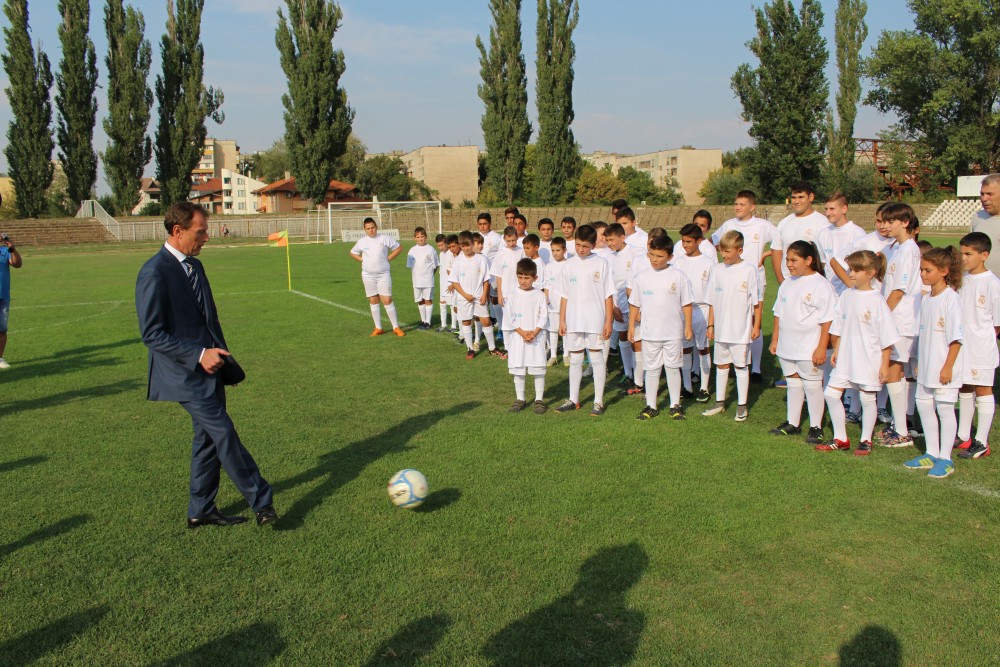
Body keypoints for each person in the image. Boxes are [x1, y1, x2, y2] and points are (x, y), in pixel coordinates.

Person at [135, 202, 277, 528]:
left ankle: (200, 509)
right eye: (200, 232)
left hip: (211, 370)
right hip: (183, 374)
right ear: (178, 231)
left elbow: (209, 322)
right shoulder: (154, 271)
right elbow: (152, 334)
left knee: (208, 440)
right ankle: (262, 502)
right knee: (223, 432)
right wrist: (199, 355)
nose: (207, 238)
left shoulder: (195, 267)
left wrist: (225, 364)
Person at [819, 250, 899, 455]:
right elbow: (839, 326)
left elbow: (887, 337)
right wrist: (837, 349)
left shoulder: (877, 300)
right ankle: (840, 438)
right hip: (846, 356)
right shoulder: (847, 295)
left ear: (871, 273)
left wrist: (884, 364)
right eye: (850, 269)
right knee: (830, 394)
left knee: (867, 398)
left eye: (856, 270)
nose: (851, 274)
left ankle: (865, 440)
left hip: (868, 358)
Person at [904, 247, 965, 478]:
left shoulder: (951, 299)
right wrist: (919, 361)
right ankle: (931, 452)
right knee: (924, 405)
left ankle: (945, 458)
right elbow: (924, 333)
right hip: (927, 367)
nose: (922, 274)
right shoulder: (927, 299)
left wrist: (948, 366)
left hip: (944, 367)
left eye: (928, 270)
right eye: (921, 269)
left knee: (945, 409)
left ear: (944, 271)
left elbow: (956, 339)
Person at [768, 241, 835, 444]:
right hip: (787, 345)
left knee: (812, 385)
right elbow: (778, 313)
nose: (789, 264)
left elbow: (827, 319)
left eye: (794, 260)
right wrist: (775, 339)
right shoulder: (787, 283)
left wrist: (821, 347)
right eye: (787, 260)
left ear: (808, 260)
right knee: (793, 382)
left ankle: (816, 427)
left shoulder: (821, 284)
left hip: (809, 346)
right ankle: (793, 423)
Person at [712, 190, 778, 382]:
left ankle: (755, 368)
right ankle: (734, 362)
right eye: (736, 204)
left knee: (753, 320)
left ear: (752, 207)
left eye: (742, 204)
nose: (738, 207)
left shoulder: (762, 225)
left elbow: (779, 243)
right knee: (732, 319)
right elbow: (713, 242)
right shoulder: (729, 225)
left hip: (754, 279)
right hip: (730, 280)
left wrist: (765, 255)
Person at [629, 234, 694, 420]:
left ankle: (675, 405)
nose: (654, 259)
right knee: (652, 369)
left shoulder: (678, 276)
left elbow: (686, 303)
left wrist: (688, 326)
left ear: (670, 257)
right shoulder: (642, 277)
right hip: (650, 332)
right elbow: (634, 303)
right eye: (652, 254)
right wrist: (631, 326)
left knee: (673, 368)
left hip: (673, 332)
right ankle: (651, 405)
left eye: (659, 256)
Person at [702, 230, 761, 421]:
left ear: (740, 250)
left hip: (740, 329)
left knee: (741, 366)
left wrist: (756, 326)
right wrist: (711, 325)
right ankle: (719, 402)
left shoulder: (749, 270)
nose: (724, 255)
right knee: (721, 365)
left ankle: (742, 406)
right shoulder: (717, 270)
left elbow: (757, 302)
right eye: (722, 251)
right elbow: (712, 300)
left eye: (728, 251)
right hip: (721, 328)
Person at [877, 203, 923, 448]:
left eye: (891, 221)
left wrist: (881, 317)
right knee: (898, 373)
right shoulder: (898, 248)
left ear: (905, 223)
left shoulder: (909, 250)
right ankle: (899, 424)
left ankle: (902, 431)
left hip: (902, 321)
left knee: (895, 371)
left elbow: (898, 291)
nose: (886, 226)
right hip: (897, 319)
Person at [556, 224, 615, 416]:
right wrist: (562, 320)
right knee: (575, 359)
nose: (581, 249)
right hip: (574, 319)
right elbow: (564, 295)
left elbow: (608, 295)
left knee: (597, 359)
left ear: (593, 245)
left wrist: (608, 321)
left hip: (595, 320)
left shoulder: (601, 263)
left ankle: (598, 401)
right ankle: (573, 399)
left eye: (585, 246)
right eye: (578, 245)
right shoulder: (568, 265)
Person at [955, 232, 1000, 459]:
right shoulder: (961, 280)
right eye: (962, 253)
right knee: (964, 387)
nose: (963, 258)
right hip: (962, 346)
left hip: (981, 347)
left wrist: (981, 340)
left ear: (984, 255)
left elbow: (997, 324)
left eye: (969, 254)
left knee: (982, 388)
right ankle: (964, 435)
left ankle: (981, 441)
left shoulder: (993, 283)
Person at [672, 223, 715, 402]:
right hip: (684, 310)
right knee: (685, 348)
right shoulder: (678, 262)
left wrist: (711, 322)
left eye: (689, 241)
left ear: (698, 241)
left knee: (703, 348)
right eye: (683, 241)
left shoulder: (709, 263)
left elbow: (713, 294)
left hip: (702, 309)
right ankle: (687, 386)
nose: (685, 245)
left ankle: (704, 387)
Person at [450, 231, 504, 360]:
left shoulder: (482, 259)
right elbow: (454, 282)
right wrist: (465, 295)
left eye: (468, 245)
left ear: (472, 244)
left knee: (486, 321)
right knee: (466, 321)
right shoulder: (457, 261)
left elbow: (486, 279)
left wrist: (485, 295)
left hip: (480, 296)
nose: (466, 248)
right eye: (463, 246)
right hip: (464, 298)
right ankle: (470, 348)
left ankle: (492, 348)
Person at [506, 258, 550, 414]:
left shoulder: (540, 295)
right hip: (519, 337)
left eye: (527, 278)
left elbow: (544, 315)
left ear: (535, 278)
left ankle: (539, 399)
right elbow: (510, 317)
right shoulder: (512, 295)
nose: (523, 281)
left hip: (536, 337)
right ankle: (520, 399)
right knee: (518, 367)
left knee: (538, 368)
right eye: (520, 277)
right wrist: (522, 332)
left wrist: (535, 331)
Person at [350, 217, 404, 337]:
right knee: (373, 300)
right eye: (368, 228)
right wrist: (362, 259)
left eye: (373, 227)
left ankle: (396, 327)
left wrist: (389, 258)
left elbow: (398, 247)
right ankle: (378, 328)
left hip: (383, 274)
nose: (371, 230)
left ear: (376, 227)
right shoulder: (362, 241)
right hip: (368, 275)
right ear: (364, 229)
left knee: (387, 300)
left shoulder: (384, 238)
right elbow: (353, 252)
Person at [770, 182, 830, 285]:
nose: (797, 201)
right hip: (788, 282)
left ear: (811, 197)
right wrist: (781, 281)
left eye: (801, 197)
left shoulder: (822, 223)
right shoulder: (784, 222)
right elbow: (777, 251)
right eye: (794, 198)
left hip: (812, 283)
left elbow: (825, 258)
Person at [605, 223, 639, 390]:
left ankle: (639, 375)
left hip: (634, 306)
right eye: (607, 240)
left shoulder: (635, 254)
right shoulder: (609, 258)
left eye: (612, 240)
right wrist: (614, 307)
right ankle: (628, 372)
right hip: (618, 306)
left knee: (636, 340)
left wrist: (637, 307)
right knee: (623, 338)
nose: (609, 243)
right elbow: (609, 285)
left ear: (622, 237)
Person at [816, 192, 866, 300]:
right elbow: (823, 264)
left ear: (844, 209)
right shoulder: (823, 234)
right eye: (826, 209)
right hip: (830, 294)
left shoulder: (857, 233)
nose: (828, 213)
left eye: (832, 209)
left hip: (850, 292)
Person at [406, 227, 438, 329]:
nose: (420, 239)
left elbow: (436, 265)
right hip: (416, 280)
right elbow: (410, 265)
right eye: (418, 237)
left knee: (428, 300)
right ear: (415, 238)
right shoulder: (412, 250)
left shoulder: (431, 249)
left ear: (426, 237)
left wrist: (430, 275)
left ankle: (428, 322)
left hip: (428, 280)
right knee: (420, 300)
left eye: (422, 236)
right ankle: (423, 320)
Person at [0, 233, 23, 369]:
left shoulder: (4, 251)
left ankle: (0, 358)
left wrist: (12, 249)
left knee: (2, 329)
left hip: (3, 296)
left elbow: (17, 264)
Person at [544, 237, 568, 366]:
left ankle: (566, 354)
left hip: (566, 304)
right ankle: (553, 356)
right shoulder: (549, 266)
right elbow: (547, 285)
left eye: (558, 250)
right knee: (553, 330)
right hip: (552, 303)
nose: (555, 253)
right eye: (553, 250)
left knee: (565, 329)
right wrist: (546, 298)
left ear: (564, 250)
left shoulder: (569, 265)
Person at [971, 174, 1000, 275]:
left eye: (989, 194)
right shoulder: (978, 217)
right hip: (979, 281)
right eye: (982, 194)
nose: (984, 198)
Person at [438, 234, 460, 333]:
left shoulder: (451, 254)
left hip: (450, 284)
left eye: (442, 245)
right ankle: (443, 324)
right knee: (442, 303)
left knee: (452, 304)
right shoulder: (441, 254)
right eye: (438, 245)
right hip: (442, 283)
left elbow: (452, 270)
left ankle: (454, 325)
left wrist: (452, 284)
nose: (440, 247)